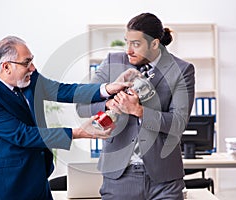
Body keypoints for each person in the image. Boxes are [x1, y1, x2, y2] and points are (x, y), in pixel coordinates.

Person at [0, 36, 133, 200]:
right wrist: (80, 132)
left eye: (32, 61)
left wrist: (107, 89)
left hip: (39, 182)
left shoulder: (27, 78)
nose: (32, 68)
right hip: (7, 187)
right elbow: (23, 134)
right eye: (26, 62)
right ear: (6, 67)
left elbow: (62, 90)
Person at [77, 13, 195, 199]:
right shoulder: (113, 62)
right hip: (119, 176)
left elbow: (179, 124)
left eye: (136, 44)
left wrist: (138, 111)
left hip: (164, 179)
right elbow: (82, 106)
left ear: (154, 44)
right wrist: (110, 100)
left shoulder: (181, 70)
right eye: (127, 42)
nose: (128, 50)